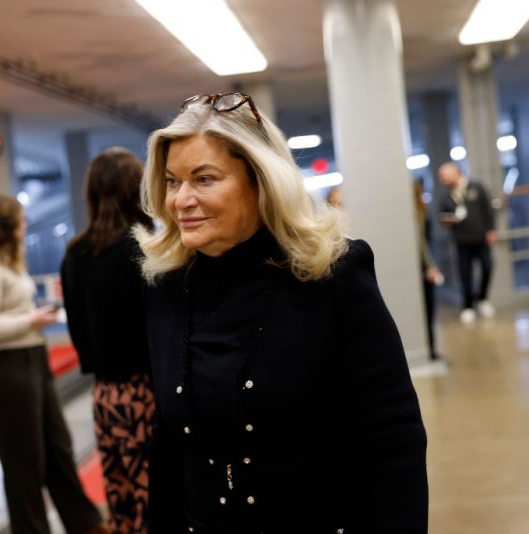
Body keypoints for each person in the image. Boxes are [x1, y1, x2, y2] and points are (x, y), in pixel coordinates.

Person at [135, 92, 428, 533]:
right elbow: (169, 449)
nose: (181, 200)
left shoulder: (333, 276)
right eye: (173, 181)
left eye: (204, 179)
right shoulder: (166, 290)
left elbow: (393, 437)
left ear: (260, 180)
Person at [0, 195, 107, 534]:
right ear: (8, 228)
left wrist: (30, 321)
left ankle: (85, 524)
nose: (26, 227)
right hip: (2, 369)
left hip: (30, 361)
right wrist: (31, 320)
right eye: (22, 222)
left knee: (58, 449)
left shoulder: (7, 264)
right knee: (24, 464)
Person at [61, 147, 155, 534]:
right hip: (148, 395)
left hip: (104, 395)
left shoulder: (74, 255)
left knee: (119, 496)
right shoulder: (145, 249)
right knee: (154, 499)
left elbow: (78, 333)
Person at [438, 162, 496, 324]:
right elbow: (442, 218)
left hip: (481, 238)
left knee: (487, 266)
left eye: (445, 176)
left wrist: (491, 230)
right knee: (465, 273)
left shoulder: (476, 187)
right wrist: (452, 219)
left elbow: (488, 209)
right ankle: (468, 306)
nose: (444, 180)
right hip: (462, 241)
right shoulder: (446, 196)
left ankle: (482, 298)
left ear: (456, 172)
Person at [414, 180, 443, 360]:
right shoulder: (415, 214)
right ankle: (429, 348)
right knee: (426, 310)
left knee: (429, 310)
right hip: (422, 268)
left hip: (424, 267)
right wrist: (430, 265)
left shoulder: (421, 211)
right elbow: (422, 243)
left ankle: (430, 347)